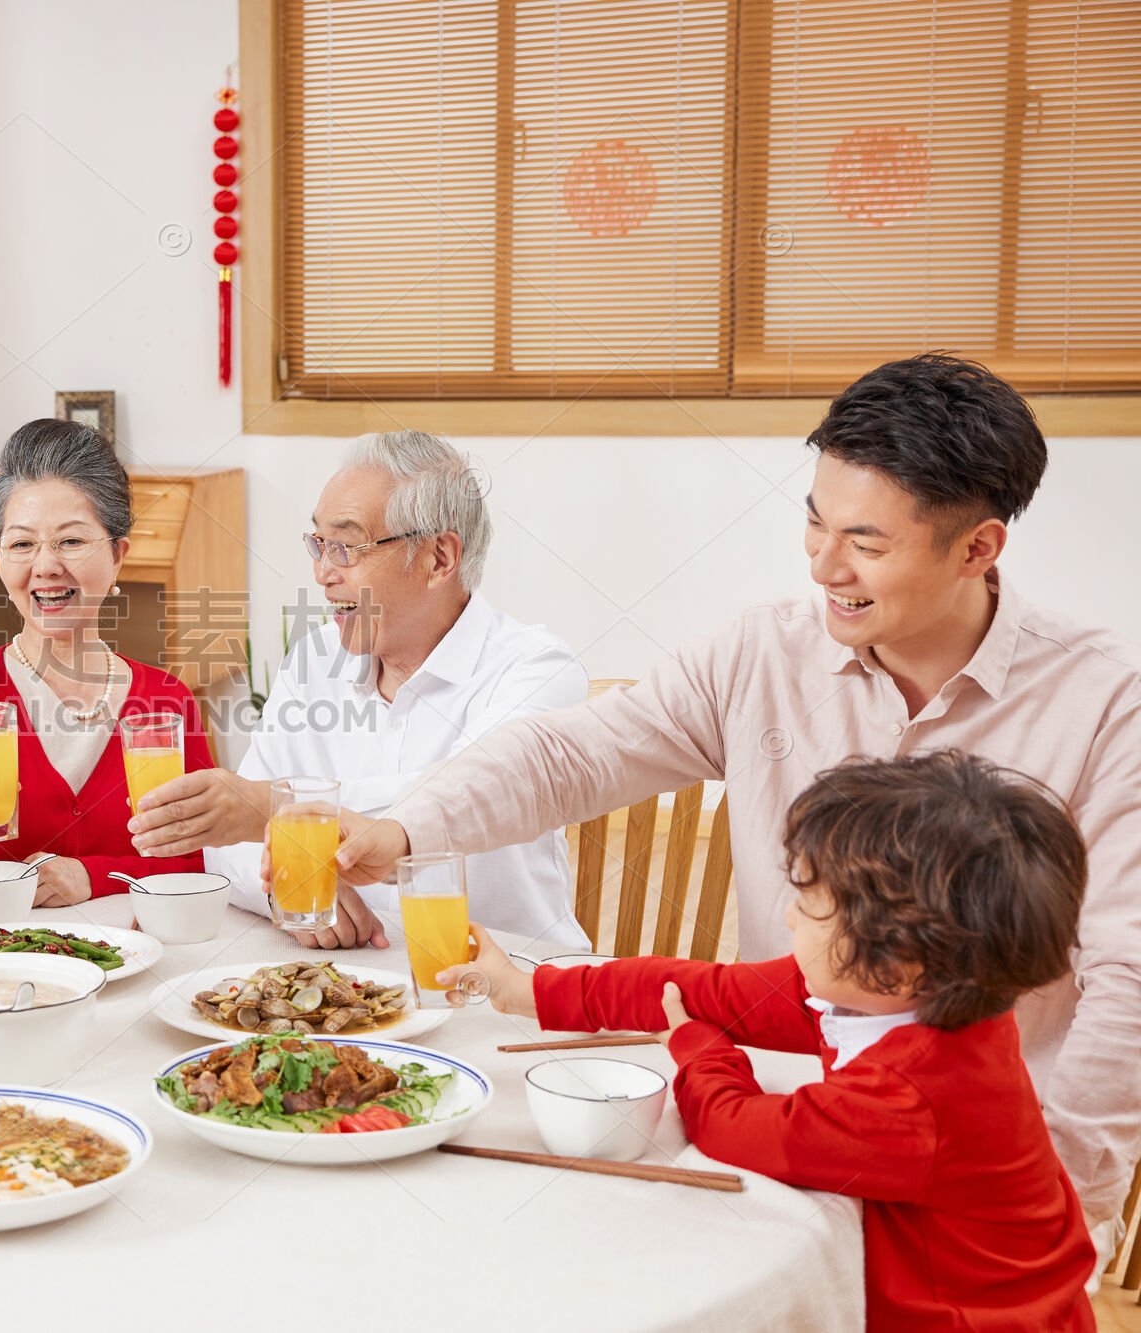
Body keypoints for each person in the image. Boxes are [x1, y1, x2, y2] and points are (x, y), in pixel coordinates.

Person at [335, 354, 1141, 1250]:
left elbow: (1129, 982)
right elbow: (576, 753)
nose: (824, 566)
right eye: (814, 523)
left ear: (978, 547)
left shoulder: (1106, 704)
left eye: (866, 544)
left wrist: (1062, 1194)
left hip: (995, 1186)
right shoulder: (762, 653)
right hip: (793, 1131)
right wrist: (404, 827)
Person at [444, 751, 1096, 1330]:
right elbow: (697, 988)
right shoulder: (918, 992)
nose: (787, 914)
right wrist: (531, 991)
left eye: (810, 905)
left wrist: (699, 1051)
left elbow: (736, 1126)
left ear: (900, 963)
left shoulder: (909, 1095)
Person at [128, 430, 586, 950]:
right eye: (318, 544)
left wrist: (278, 813)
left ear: (439, 558)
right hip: (354, 980)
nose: (323, 573)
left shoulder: (537, 670)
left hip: (505, 983)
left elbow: (467, 795)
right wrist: (294, 890)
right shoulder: (315, 660)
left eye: (346, 546)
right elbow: (229, 850)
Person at [0, 419, 214, 902]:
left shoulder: (166, 701)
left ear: (118, 554)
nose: (45, 566)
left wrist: (92, 878)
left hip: (121, 955)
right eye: (21, 544)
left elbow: (193, 861)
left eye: (71, 541)